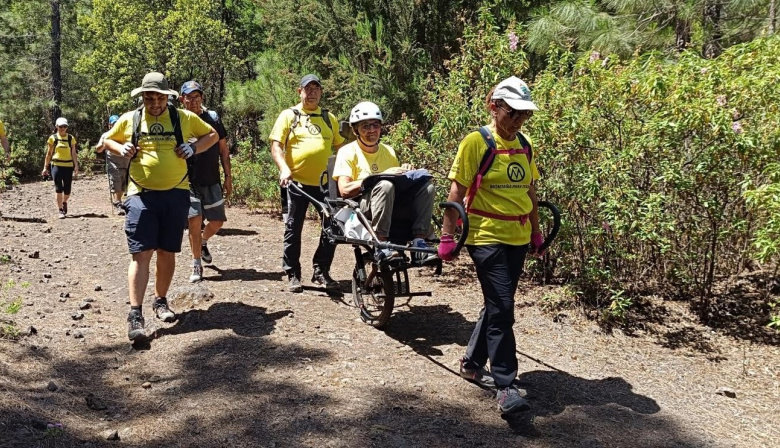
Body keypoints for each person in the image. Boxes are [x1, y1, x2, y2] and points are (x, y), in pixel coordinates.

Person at [439, 76, 544, 415]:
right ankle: (505, 385)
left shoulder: (524, 144)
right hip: (485, 236)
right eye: (513, 112)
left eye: (524, 114)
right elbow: (457, 191)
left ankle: (472, 363)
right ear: (494, 107)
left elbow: (530, 191)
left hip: (517, 237)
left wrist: (536, 233)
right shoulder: (477, 142)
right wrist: (447, 237)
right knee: (503, 308)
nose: (519, 120)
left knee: (497, 305)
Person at [102, 72, 218, 342]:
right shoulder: (131, 118)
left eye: (159, 98)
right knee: (141, 252)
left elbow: (212, 135)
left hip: (176, 193)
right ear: (142, 97)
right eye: (149, 98)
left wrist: (193, 148)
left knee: (167, 251)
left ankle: (160, 300)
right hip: (140, 194)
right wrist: (121, 149)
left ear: (167, 97)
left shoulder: (183, 118)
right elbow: (107, 139)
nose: (154, 103)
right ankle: (135, 314)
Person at [269, 74, 345, 293]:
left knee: (333, 226)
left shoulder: (328, 117)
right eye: (307, 89)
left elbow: (341, 147)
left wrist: (343, 173)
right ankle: (292, 272)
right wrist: (284, 168)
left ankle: (321, 270)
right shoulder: (289, 115)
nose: (312, 93)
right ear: (299, 91)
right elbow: (276, 146)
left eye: (316, 89)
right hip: (296, 184)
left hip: (326, 185)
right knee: (294, 228)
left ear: (321, 92)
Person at [332, 101, 435, 262]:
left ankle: (419, 243)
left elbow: (397, 185)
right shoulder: (347, 152)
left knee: (427, 187)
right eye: (365, 126)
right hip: (361, 207)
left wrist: (406, 172)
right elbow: (344, 190)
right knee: (385, 185)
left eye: (375, 125)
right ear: (355, 130)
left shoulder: (388, 151)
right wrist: (380, 176)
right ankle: (381, 244)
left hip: (390, 205)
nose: (372, 130)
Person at [179, 80, 232, 282]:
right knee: (194, 220)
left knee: (217, 221)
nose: (193, 101)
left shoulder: (212, 118)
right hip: (187, 179)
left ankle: (202, 242)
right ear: (182, 99)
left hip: (211, 178)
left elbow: (223, 150)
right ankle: (196, 264)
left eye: (197, 97)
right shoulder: (178, 120)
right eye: (189, 97)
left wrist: (228, 177)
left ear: (202, 98)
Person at [42, 117, 78, 219]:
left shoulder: (71, 138)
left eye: (65, 126)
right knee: (58, 188)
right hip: (56, 165)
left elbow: (73, 153)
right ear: (56, 127)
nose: (63, 128)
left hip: (68, 166)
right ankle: (60, 209)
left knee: (67, 190)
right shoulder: (53, 138)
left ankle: (64, 202)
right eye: (61, 126)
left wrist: (76, 165)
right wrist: (45, 167)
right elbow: (49, 153)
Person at [95, 114, 128, 215]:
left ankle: (119, 201)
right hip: (113, 163)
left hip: (126, 163)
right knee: (116, 181)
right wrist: (103, 144)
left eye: (117, 123)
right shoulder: (106, 135)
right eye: (113, 123)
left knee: (123, 184)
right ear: (110, 125)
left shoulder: (125, 133)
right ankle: (117, 202)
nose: (115, 125)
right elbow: (98, 149)